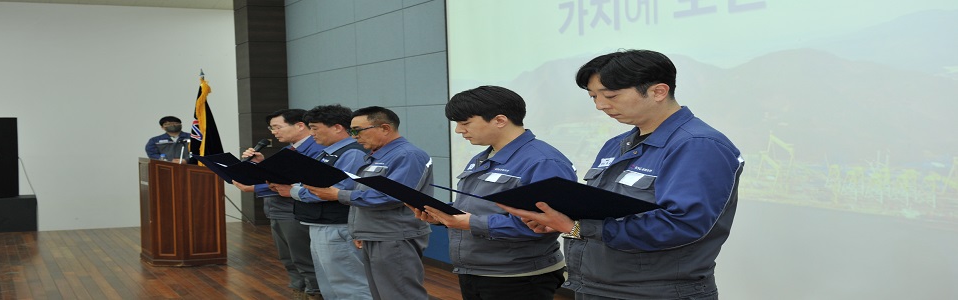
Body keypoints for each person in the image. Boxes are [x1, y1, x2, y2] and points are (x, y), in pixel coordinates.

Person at [500, 49, 745, 300]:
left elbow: (682, 224)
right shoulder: (617, 144)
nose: (600, 105)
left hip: (655, 292)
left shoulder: (698, 145)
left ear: (658, 91)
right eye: (593, 96)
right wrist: (560, 221)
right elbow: (599, 212)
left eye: (611, 95)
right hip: (595, 285)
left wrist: (578, 227)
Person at [410, 86, 576, 300]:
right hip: (475, 270)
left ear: (499, 120)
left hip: (518, 276)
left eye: (465, 123)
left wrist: (470, 223)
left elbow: (547, 223)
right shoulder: (483, 157)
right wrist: (442, 214)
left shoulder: (543, 161)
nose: (459, 131)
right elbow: (476, 206)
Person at [302, 106, 432, 300]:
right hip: (374, 233)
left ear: (385, 128)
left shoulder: (407, 155)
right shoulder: (376, 155)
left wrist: (338, 195)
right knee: (380, 293)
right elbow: (364, 193)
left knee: (400, 294)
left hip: (394, 234)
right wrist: (359, 230)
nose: (354, 136)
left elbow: (393, 196)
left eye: (357, 131)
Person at [267, 105, 372, 300]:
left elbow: (337, 189)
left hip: (337, 225)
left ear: (337, 127)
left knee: (350, 285)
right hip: (318, 223)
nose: (312, 133)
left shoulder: (352, 153)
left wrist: (294, 191)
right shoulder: (326, 152)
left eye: (315, 128)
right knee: (329, 285)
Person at [233, 108, 325, 300]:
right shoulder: (289, 149)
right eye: (271, 128)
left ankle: (313, 293)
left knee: (303, 260)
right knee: (289, 259)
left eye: (277, 127)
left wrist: (254, 188)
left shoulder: (316, 149)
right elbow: (278, 177)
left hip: (295, 210)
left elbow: (297, 182)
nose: (273, 132)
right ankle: (299, 291)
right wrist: (259, 164)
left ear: (300, 125)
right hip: (278, 210)